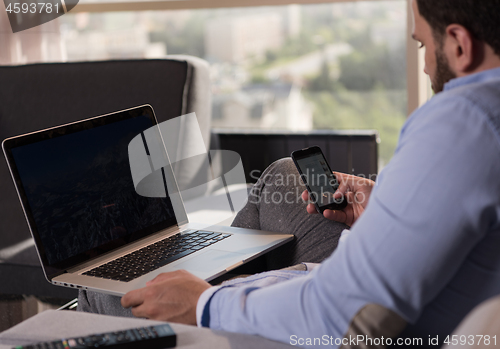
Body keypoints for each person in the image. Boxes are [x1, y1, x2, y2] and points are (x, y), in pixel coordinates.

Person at [79, 0, 500, 346]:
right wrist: (385, 203)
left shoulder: (465, 119)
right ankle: (236, 274)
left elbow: (342, 317)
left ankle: (219, 289)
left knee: (99, 289)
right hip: (382, 291)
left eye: (424, 47)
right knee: (283, 174)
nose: (426, 67)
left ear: (460, 45)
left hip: (345, 324)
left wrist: (206, 303)